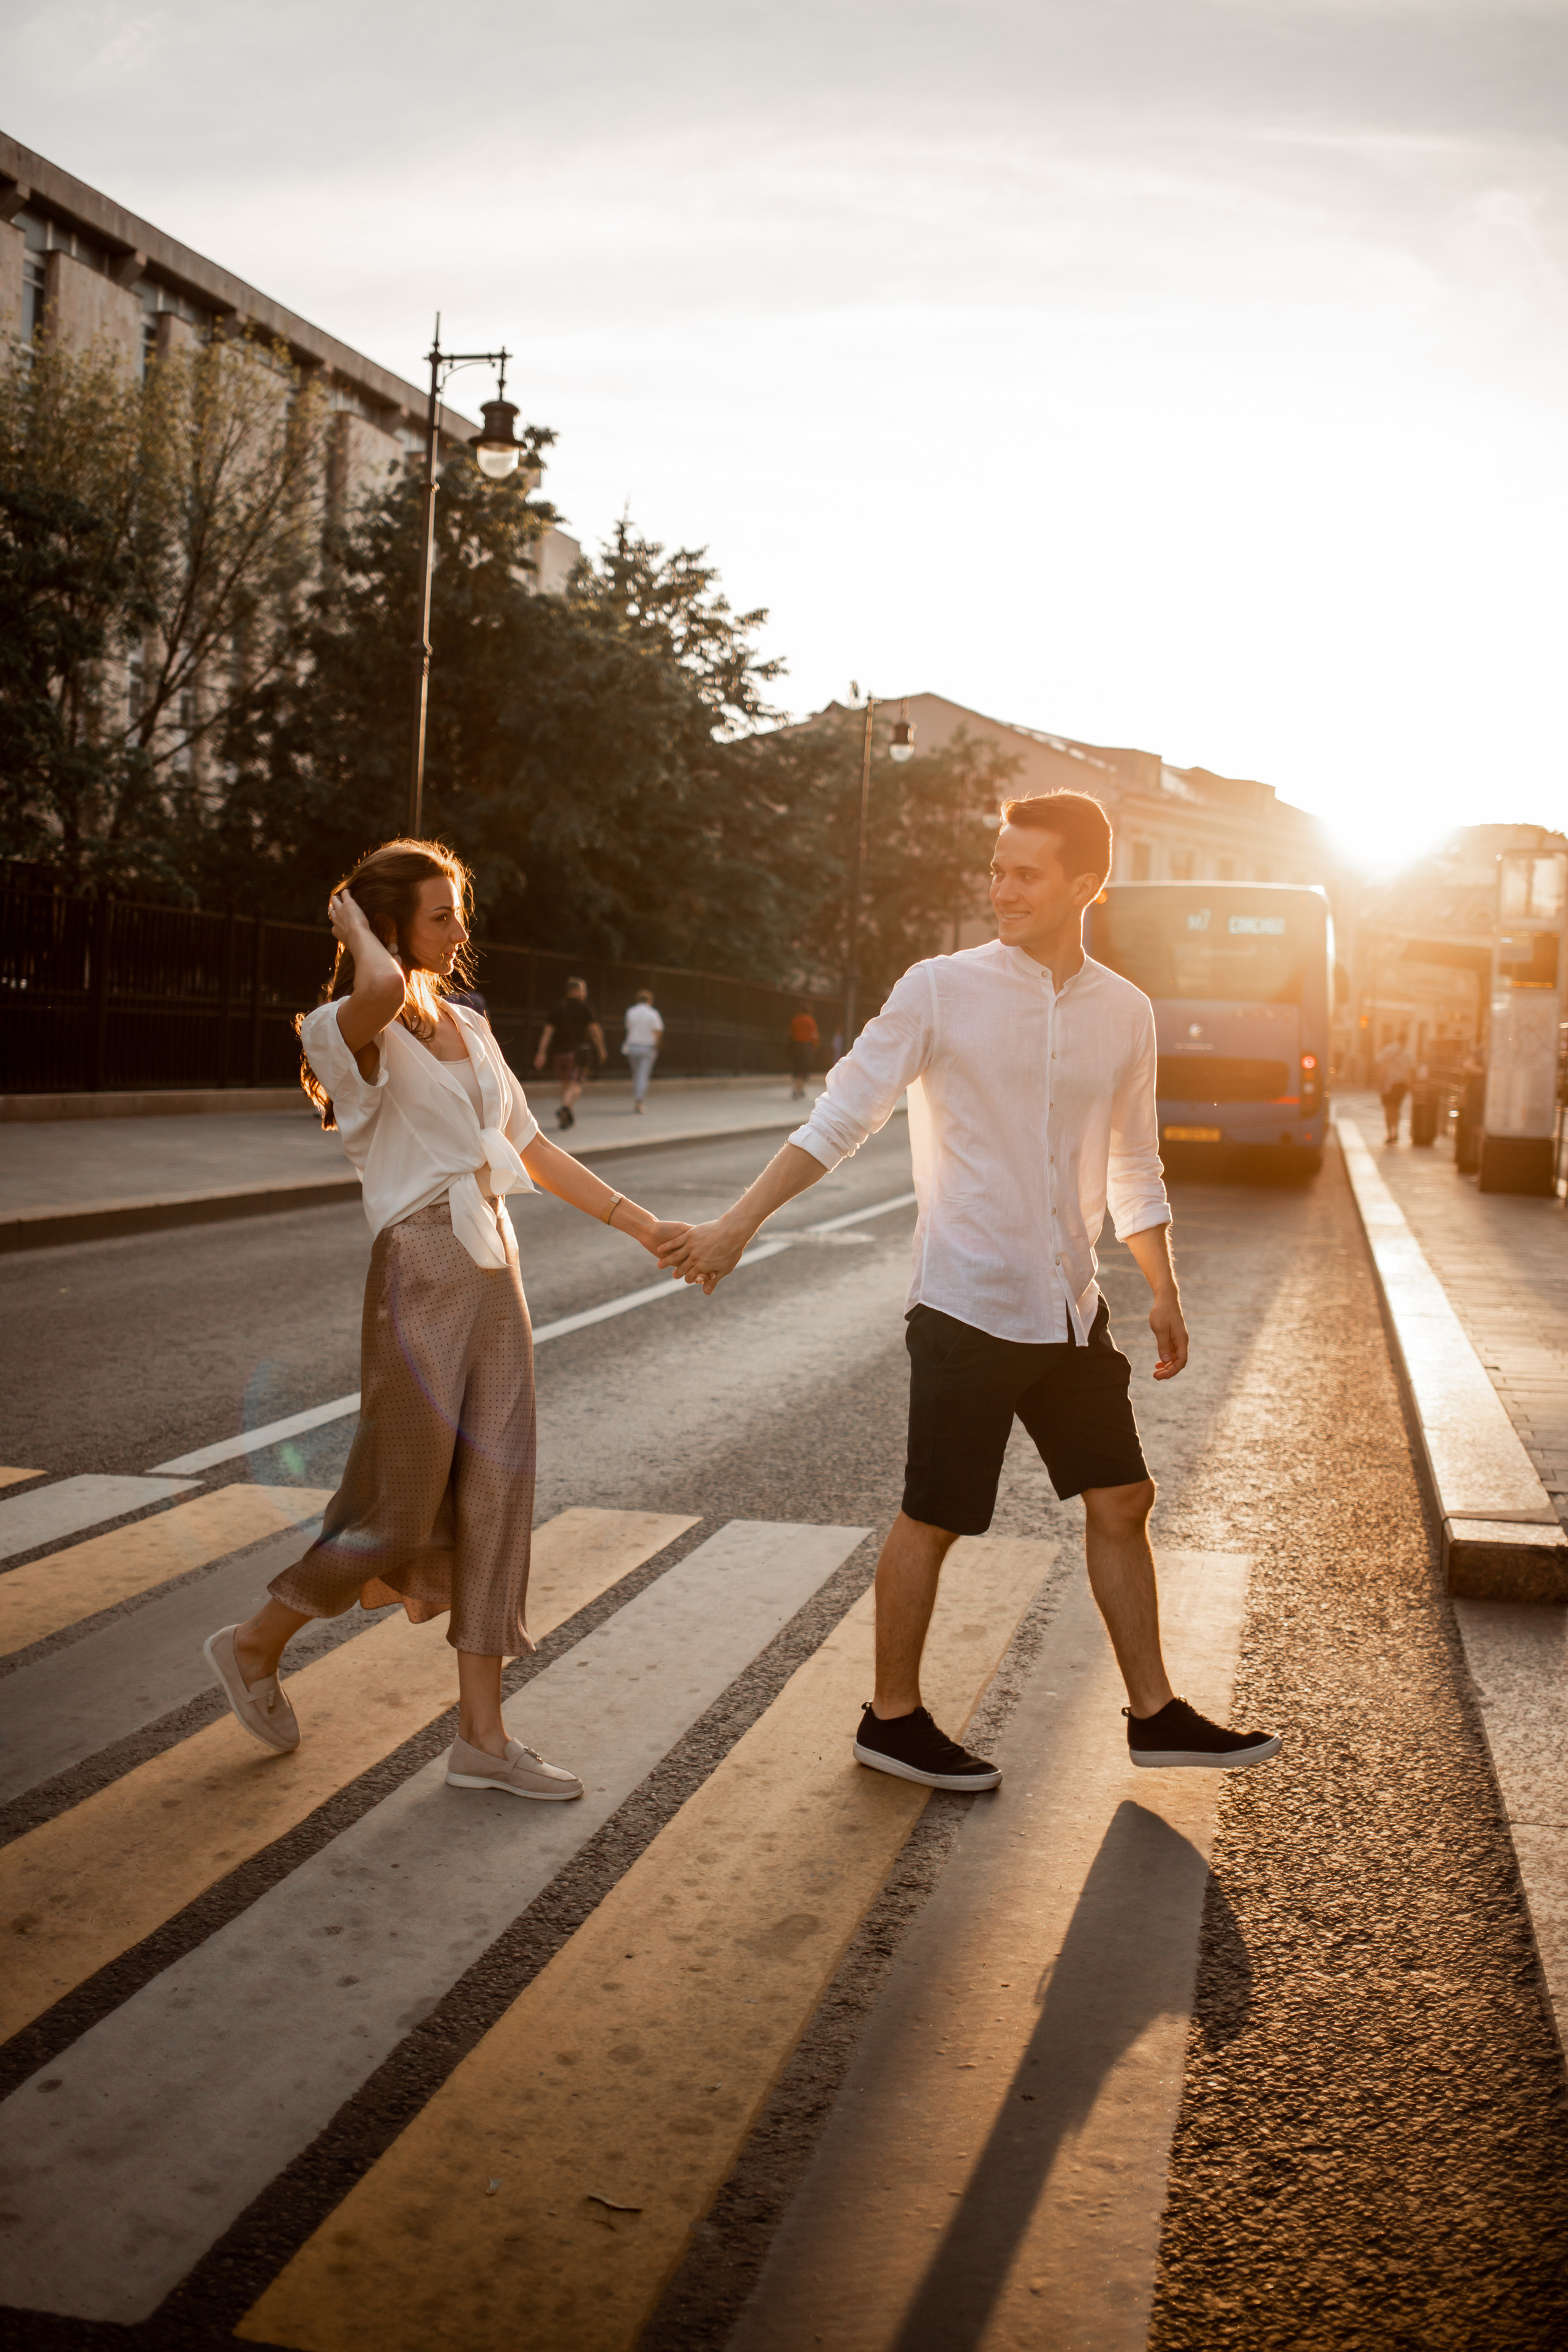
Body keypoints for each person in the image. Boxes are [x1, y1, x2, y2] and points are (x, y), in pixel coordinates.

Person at [660, 791, 1280, 1792]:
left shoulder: (1126, 1012)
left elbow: (1134, 1163)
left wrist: (1161, 1287)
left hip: (1071, 1309)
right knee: (937, 1514)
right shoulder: (940, 990)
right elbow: (840, 1119)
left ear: (1088, 885)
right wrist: (736, 1227)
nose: (1001, 890)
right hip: (966, 1306)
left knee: (1123, 1498)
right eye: (995, 869)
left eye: (1025, 873)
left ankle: (1155, 1713)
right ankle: (891, 1720)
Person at [203, 840, 689, 1800]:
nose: (460, 931)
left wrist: (644, 1226)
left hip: (492, 1264)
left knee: (497, 1498)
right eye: (440, 914)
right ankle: (257, 1642)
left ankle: (482, 1737)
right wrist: (350, 920)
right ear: (387, 928)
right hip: (419, 1268)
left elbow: (532, 1146)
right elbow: (380, 985)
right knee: (399, 1503)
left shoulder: (468, 1021)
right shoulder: (346, 1029)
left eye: (460, 909)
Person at [533, 977, 605, 1130]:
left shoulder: (557, 1008)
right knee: (576, 1085)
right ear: (576, 990)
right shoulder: (586, 1008)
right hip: (578, 1054)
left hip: (559, 1054)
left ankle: (566, 1117)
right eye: (583, 989)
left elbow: (547, 1033)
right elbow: (595, 1031)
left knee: (566, 1084)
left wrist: (541, 1053)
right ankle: (565, 1109)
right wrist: (601, 1049)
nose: (585, 993)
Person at [622, 988, 665, 1113]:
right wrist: (656, 1046)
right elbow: (658, 1031)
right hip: (647, 1047)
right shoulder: (653, 1013)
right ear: (650, 1000)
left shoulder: (631, 1012)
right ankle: (639, 1101)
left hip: (633, 1045)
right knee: (643, 1075)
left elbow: (628, 1027)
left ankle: (638, 1097)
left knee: (636, 1074)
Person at [1376, 1030, 1415, 1145]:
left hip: (1388, 1083)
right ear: (1407, 1040)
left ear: (1397, 1038)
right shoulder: (1409, 1053)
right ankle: (1396, 1132)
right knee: (1397, 1109)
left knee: (1388, 1109)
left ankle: (1389, 1134)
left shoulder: (1388, 1049)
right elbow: (1412, 1069)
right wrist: (1411, 1084)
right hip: (1401, 1084)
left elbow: (1377, 1061)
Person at [788, 1005, 820, 1100]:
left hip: (796, 1045)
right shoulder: (810, 1020)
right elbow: (814, 1035)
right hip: (807, 1046)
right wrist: (816, 1045)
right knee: (803, 1068)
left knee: (797, 1067)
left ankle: (796, 1088)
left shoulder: (795, 1020)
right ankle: (799, 1090)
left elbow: (791, 1033)